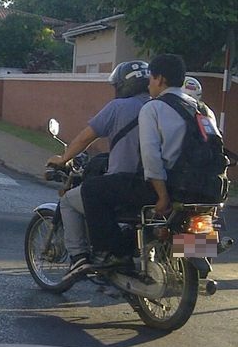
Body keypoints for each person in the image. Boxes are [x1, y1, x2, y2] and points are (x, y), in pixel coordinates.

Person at [81, 54, 206, 262]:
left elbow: (150, 157)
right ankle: (194, 257)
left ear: (159, 79)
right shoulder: (202, 109)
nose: (148, 86)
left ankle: (116, 255)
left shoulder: (154, 107)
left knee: (91, 189)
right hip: (200, 189)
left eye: (150, 79)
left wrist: (162, 195)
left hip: (166, 187)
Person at [47, 61, 150, 281]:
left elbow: (86, 137)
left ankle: (80, 258)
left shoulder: (118, 107)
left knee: (70, 200)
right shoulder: (161, 107)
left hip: (125, 185)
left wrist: (63, 158)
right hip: (159, 186)